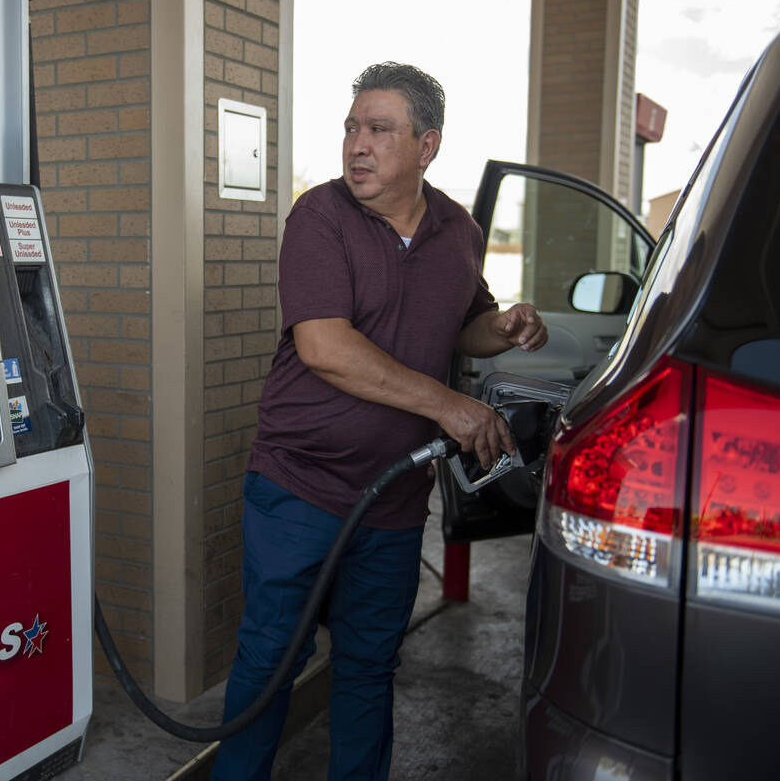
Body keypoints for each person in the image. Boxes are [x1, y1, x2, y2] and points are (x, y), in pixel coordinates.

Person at [209, 62, 548, 781]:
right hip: (299, 488)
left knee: (368, 666)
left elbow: (465, 322)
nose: (357, 144)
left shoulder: (459, 230)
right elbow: (325, 347)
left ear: (426, 146)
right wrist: (450, 406)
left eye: (379, 129)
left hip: (393, 506)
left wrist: (504, 325)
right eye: (351, 127)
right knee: (271, 658)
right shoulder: (320, 218)